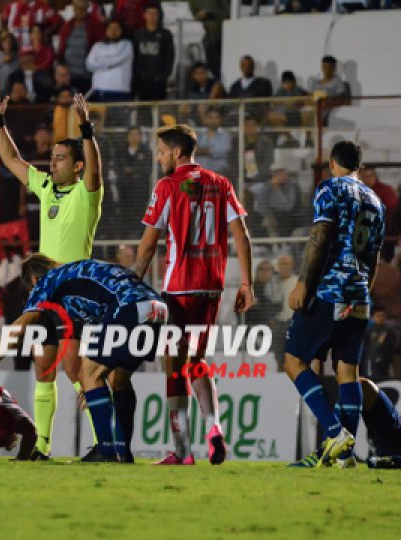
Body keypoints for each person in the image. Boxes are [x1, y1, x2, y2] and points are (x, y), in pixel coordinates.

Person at [0, 84, 103, 459]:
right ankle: (42, 447)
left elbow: (96, 168)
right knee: (43, 366)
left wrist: (86, 131)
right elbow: (10, 159)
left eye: (60, 158)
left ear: (78, 164)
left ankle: (106, 443)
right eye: (51, 158)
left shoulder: (88, 193)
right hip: (47, 296)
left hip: (77, 295)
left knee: (75, 367)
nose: (51, 163)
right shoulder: (47, 188)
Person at [134, 123, 255, 465]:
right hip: (211, 288)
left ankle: (182, 451)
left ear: (176, 152)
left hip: (178, 289)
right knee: (197, 362)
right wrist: (246, 283)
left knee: (173, 367)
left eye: (160, 152)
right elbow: (241, 235)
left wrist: (129, 286)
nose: (158, 159)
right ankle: (214, 430)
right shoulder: (221, 184)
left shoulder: (168, 186)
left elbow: (146, 248)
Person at [0, 255, 169, 462]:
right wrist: (96, 390)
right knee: (117, 379)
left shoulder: (48, 280)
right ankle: (123, 452)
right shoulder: (79, 272)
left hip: (128, 306)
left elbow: (22, 324)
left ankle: (107, 451)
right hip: (157, 308)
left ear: (33, 280)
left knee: (89, 374)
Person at [282, 140, 385, 468]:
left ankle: (334, 433)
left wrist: (303, 283)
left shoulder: (330, 189)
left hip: (329, 291)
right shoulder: (376, 201)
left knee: (294, 362)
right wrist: (362, 294)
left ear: (332, 164)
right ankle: (345, 457)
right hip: (358, 295)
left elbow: (321, 235)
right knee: (348, 372)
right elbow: (375, 255)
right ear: (360, 166)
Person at [132, 5, 174, 101]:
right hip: (141, 80)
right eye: (150, 13)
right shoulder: (138, 34)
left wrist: (164, 76)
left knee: (158, 110)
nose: (152, 16)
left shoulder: (166, 34)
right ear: (144, 15)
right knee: (143, 109)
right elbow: (135, 57)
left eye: (155, 14)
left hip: (158, 80)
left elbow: (170, 56)